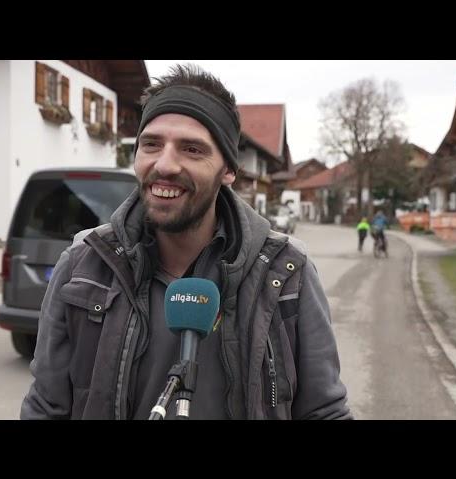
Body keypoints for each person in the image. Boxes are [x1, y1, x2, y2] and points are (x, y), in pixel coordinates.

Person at [20, 64, 352, 420]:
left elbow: (324, 412)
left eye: (192, 149)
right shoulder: (83, 265)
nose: (165, 164)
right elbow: (45, 408)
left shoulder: (286, 272)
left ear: (228, 170)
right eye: (151, 144)